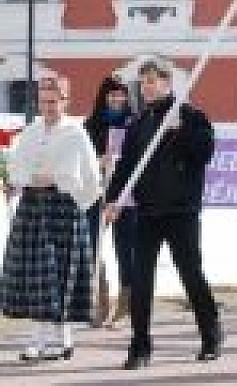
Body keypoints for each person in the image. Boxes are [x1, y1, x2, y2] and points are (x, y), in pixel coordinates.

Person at [103, 59, 220, 370]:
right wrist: (113, 200)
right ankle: (140, 346)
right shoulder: (138, 123)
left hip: (181, 210)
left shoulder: (191, 115)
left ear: (168, 83)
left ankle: (210, 335)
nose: (147, 88)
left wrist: (180, 131)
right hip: (148, 212)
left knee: (190, 275)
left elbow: (205, 153)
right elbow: (126, 167)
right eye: (143, 83)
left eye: (152, 82)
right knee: (140, 280)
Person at [0, 76, 101, 361]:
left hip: (63, 208)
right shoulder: (30, 132)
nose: (48, 107)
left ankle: (63, 337)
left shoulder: (76, 132)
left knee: (60, 275)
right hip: (32, 207)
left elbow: (91, 177)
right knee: (38, 277)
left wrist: (75, 199)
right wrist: (16, 183)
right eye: (43, 101)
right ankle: (39, 340)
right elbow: (18, 166)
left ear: (65, 101)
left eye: (53, 101)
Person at [84, 75, 135, 328]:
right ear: (103, 97)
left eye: (121, 94)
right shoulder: (90, 126)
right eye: (112, 94)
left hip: (127, 196)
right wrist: (98, 162)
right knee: (93, 246)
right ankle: (99, 301)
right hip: (96, 193)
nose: (118, 99)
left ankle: (126, 304)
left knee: (126, 248)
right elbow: (80, 161)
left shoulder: (134, 123)